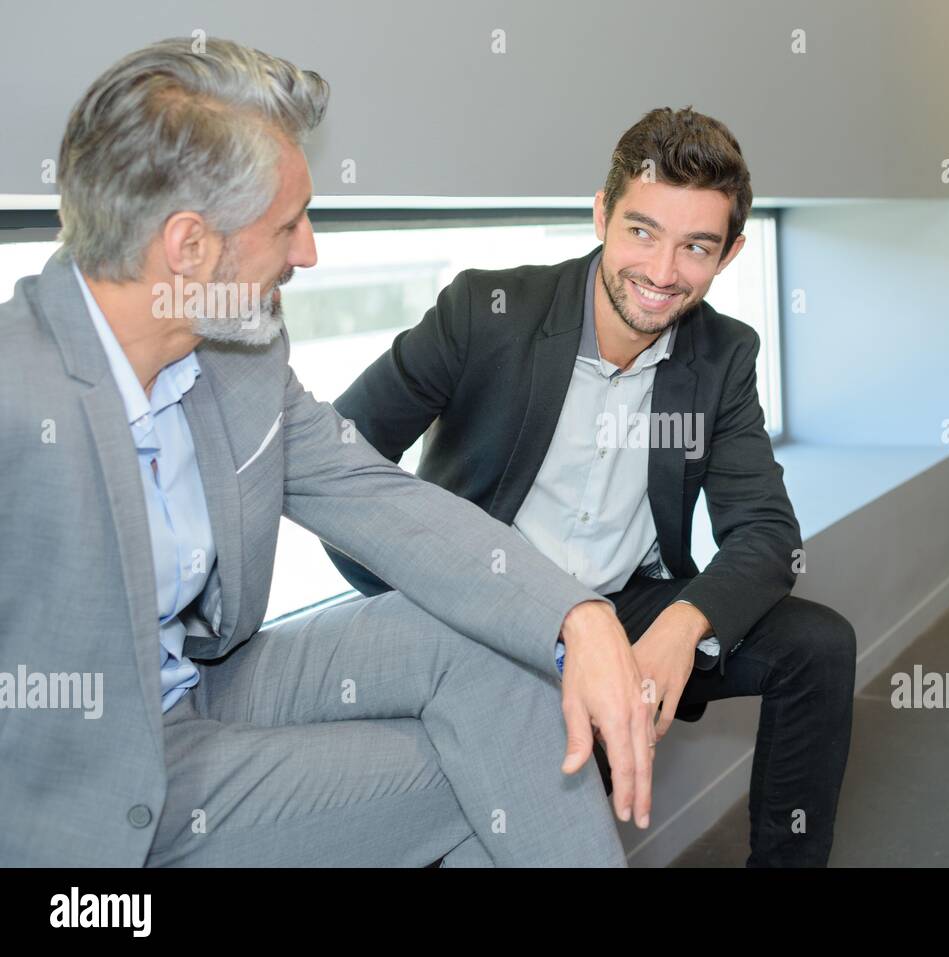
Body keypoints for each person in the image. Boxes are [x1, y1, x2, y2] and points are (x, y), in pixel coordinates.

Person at [0, 37, 656, 868]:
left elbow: (372, 494)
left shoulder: (238, 354)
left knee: (500, 653)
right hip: (87, 789)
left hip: (207, 681)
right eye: (288, 224)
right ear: (189, 246)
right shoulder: (17, 396)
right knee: (493, 772)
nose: (308, 251)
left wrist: (577, 613)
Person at [327, 107, 858, 867]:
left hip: (628, 606)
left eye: (696, 247)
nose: (663, 272)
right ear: (602, 213)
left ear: (731, 253)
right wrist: (423, 606)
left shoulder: (723, 354)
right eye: (642, 231)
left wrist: (683, 627)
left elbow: (769, 536)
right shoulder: (486, 312)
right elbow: (338, 466)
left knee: (818, 646)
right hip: (487, 605)